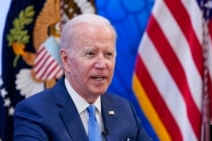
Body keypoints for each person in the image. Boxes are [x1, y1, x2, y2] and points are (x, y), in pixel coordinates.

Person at [14, 14, 152, 141]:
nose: (102, 64)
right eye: (91, 54)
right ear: (66, 60)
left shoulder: (124, 109)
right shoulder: (34, 113)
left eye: (108, 54)